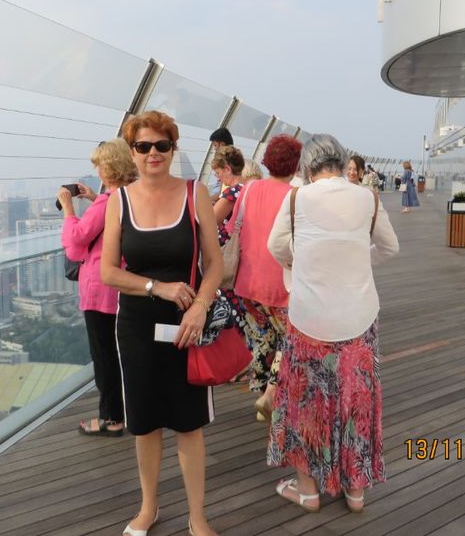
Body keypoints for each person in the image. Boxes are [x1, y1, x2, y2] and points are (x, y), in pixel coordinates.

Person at [102, 111, 222, 536]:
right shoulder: (119, 200)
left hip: (186, 327)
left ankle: (197, 515)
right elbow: (108, 272)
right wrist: (159, 287)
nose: (153, 153)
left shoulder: (195, 193)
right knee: (146, 422)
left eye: (162, 145)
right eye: (143, 146)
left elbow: (215, 264)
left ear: (173, 149)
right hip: (136, 327)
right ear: (132, 152)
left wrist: (199, 306)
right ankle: (148, 507)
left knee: (189, 424)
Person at [266, 133, 399, 513]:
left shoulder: (297, 198)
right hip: (359, 319)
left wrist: (305, 259)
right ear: (342, 164)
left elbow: (275, 247)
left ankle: (308, 491)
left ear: (307, 166)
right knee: (357, 401)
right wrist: (354, 258)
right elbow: (390, 248)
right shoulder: (367, 198)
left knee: (305, 403)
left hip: (308, 319)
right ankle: (355, 491)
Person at [59, 138, 137, 437]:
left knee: (104, 357)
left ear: (107, 167)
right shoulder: (132, 196)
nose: (98, 171)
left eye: (99, 166)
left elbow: (78, 236)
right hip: (125, 287)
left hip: (101, 290)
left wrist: (68, 208)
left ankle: (112, 419)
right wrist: (94, 198)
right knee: (122, 354)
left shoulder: (108, 201)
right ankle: (129, 410)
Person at [226, 134, 302, 421]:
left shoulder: (248, 189)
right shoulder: (295, 196)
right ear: (296, 165)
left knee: (264, 337)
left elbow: (233, 229)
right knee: (291, 339)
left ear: (267, 160)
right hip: (281, 287)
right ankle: (271, 395)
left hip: (247, 284)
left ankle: (262, 393)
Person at [210, 146, 246, 243]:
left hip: (225, 246)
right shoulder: (246, 188)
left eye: (218, 173)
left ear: (227, 169)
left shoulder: (232, 192)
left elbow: (210, 220)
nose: (218, 178)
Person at [207, 128, 234, 198]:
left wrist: (207, 200)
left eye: (215, 145)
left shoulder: (227, 161)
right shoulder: (233, 157)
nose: (214, 148)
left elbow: (221, 193)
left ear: (222, 144)